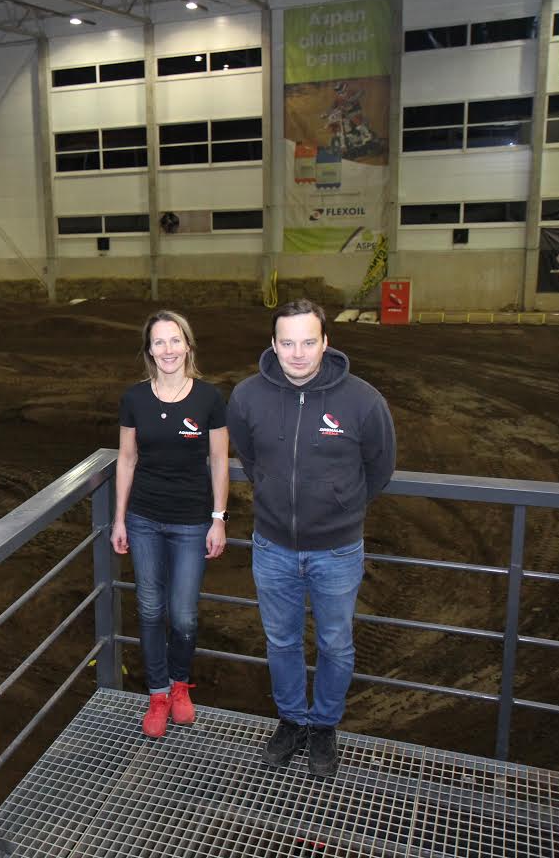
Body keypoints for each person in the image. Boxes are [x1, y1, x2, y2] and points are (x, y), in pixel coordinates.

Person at [227, 299, 395, 777]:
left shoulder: (362, 400)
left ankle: (323, 726)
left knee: (336, 642)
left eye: (308, 341)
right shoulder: (247, 396)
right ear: (273, 345)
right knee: (280, 640)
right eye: (287, 343)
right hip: (272, 546)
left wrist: (343, 506)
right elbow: (249, 454)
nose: (298, 353)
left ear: (325, 342)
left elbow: (379, 466)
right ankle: (291, 720)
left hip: (337, 550)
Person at [112, 310, 229, 738]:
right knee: (148, 607)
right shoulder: (134, 398)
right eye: (158, 342)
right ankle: (158, 693)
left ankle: (181, 685)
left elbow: (219, 461)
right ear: (149, 351)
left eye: (174, 341)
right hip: (143, 518)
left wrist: (218, 519)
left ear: (188, 346)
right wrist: (119, 519)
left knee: (182, 614)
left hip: (192, 522)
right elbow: (127, 459)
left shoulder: (210, 398)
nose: (167, 350)